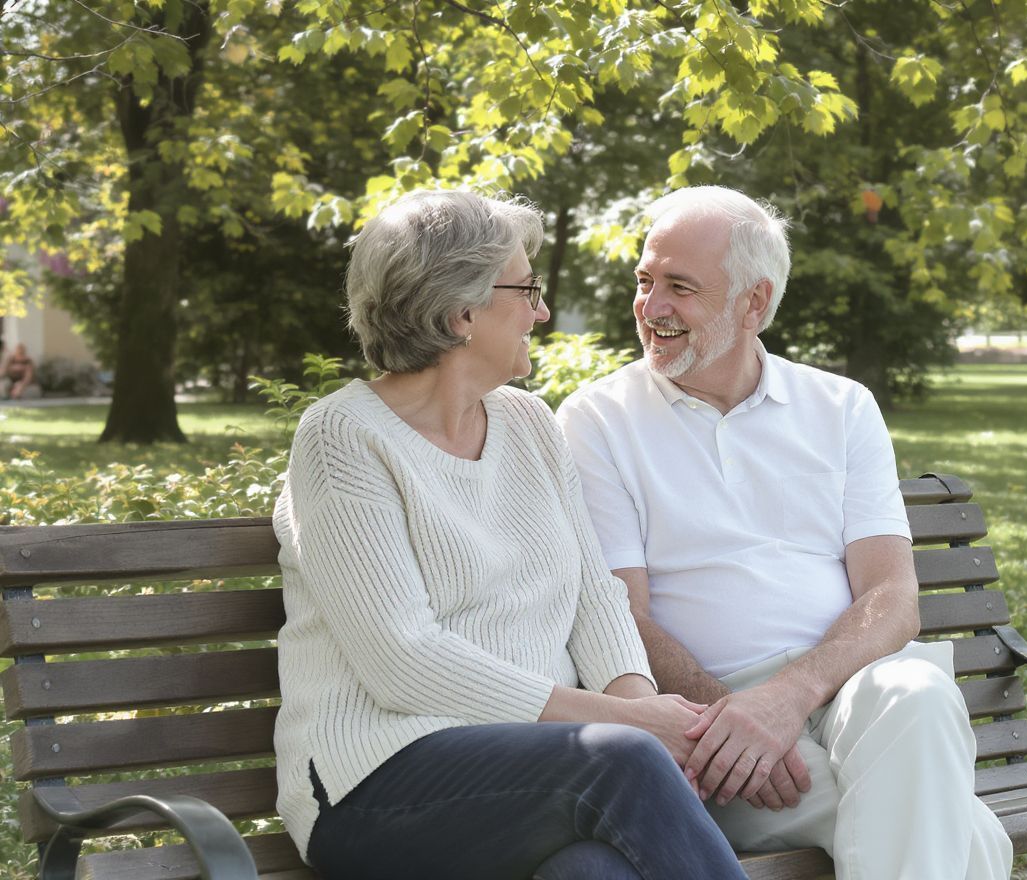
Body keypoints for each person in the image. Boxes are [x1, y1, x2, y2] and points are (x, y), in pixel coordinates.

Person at [271, 190, 750, 880]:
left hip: (533, 778)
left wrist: (643, 709)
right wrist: (632, 730)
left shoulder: (528, 424)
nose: (541, 311)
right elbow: (403, 660)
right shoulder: (343, 437)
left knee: (592, 873)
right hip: (373, 790)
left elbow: (593, 595)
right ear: (460, 312)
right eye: (527, 289)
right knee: (619, 759)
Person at [557, 185, 1013, 879]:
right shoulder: (597, 421)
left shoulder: (840, 407)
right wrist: (732, 720)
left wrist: (788, 697)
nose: (652, 309)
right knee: (957, 828)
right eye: (645, 282)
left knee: (918, 695)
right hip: (709, 719)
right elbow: (622, 614)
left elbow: (892, 593)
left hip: (852, 687)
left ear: (755, 303)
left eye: (680, 287)